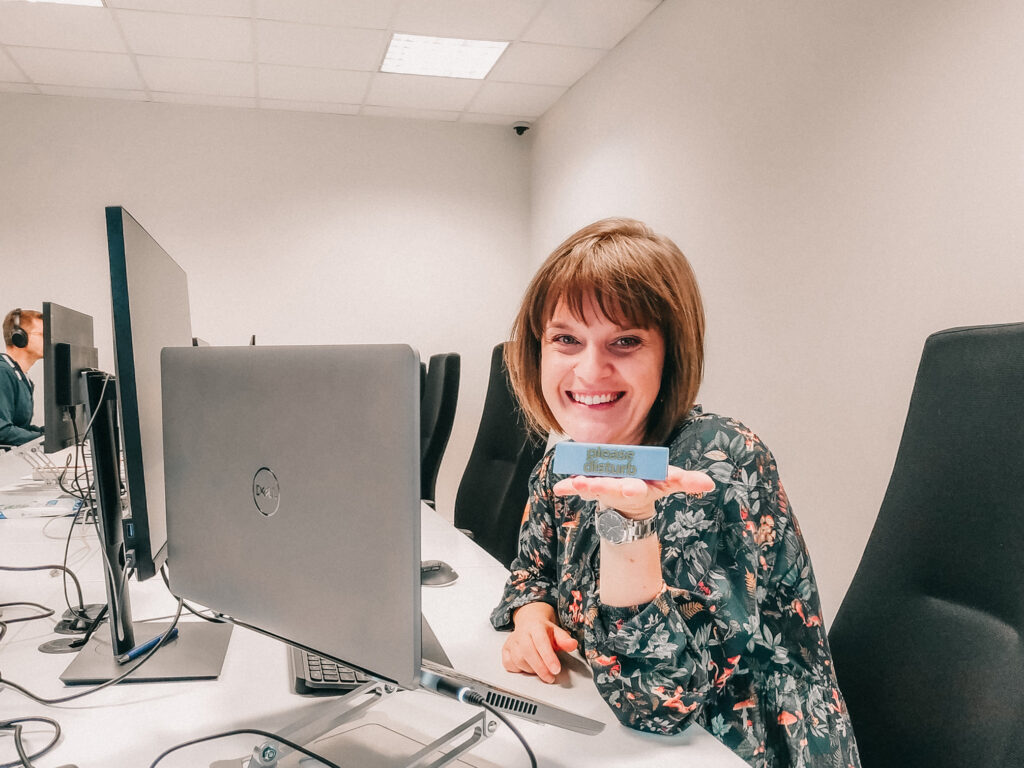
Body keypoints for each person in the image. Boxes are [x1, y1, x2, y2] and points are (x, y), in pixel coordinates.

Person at [490, 218, 861, 768]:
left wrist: (629, 524)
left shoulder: (717, 460)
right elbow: (530, 573)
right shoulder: (563, 460)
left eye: (626, 341)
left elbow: (659, 702)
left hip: (735, 750)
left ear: (670, 354)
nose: (590, 369)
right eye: (566, 339)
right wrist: (531, 619)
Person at [1, 308, 45, 447]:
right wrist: (43, 440)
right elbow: (2, 430)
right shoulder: (3, 372)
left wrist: (47, 434)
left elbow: (19, 426)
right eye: (43, 334)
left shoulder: (22, 377)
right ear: (19, 337)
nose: (49, 340)